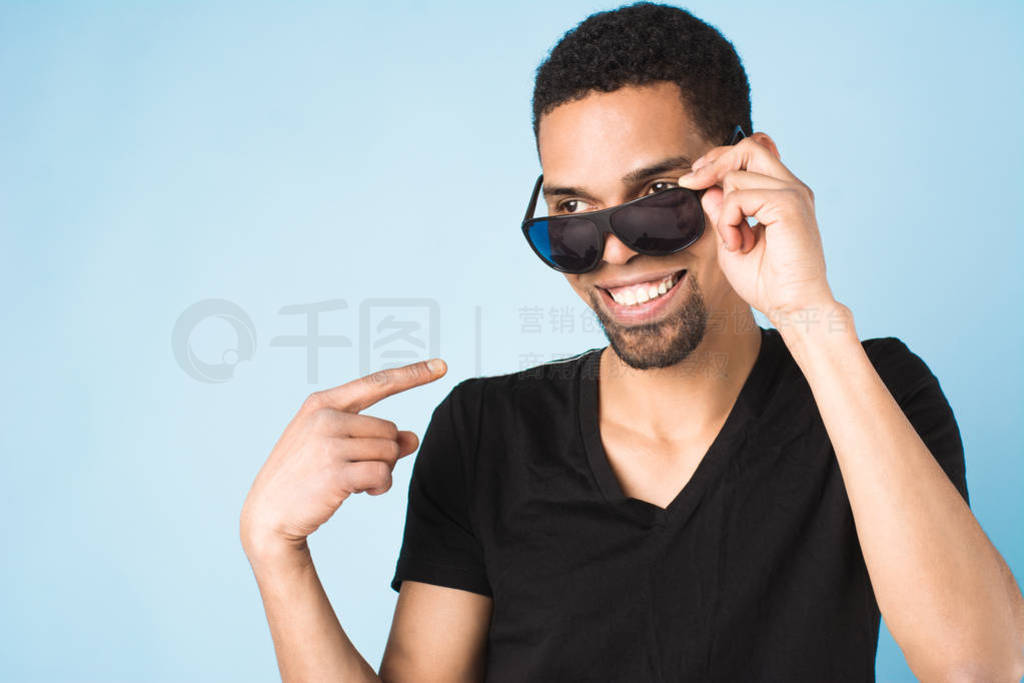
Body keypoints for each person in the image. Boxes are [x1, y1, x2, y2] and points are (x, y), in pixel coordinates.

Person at [239, 3, 1024, 681]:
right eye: (573, 213)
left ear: (743, 176)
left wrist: (807, 313)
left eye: (657, 200)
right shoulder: (485, 435)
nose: (614, 251)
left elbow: (982, 665)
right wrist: (278, 553)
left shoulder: (873, 389)